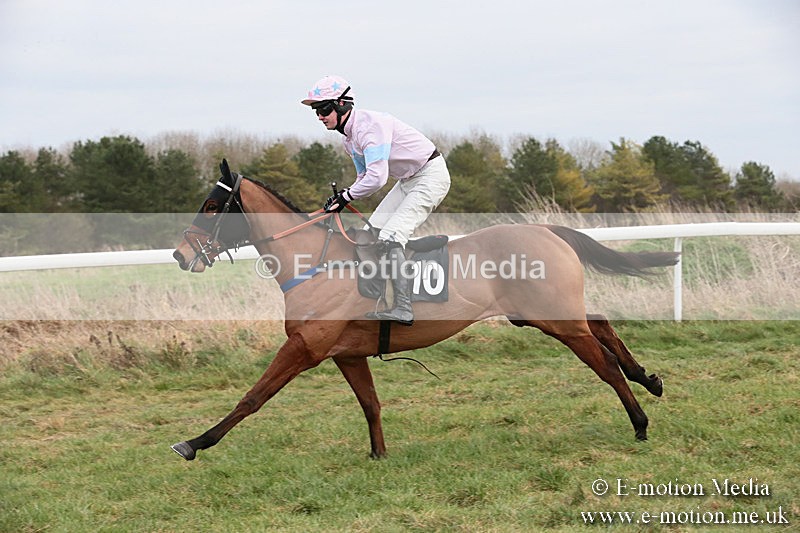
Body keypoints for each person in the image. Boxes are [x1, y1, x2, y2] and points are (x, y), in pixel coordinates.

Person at [301, 75, 451, 325]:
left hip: (430, 176)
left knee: (391, 236)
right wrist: (343, 197)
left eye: (324, 109)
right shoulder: (348, 141)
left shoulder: (369, 127)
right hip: (407, 181)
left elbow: (378, 178)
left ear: (341, 105)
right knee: (372, 233)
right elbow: (364, 178)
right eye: (316, 111)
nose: (319, 116)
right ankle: (379, 296)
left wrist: (346, 195)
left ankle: (404, 307)